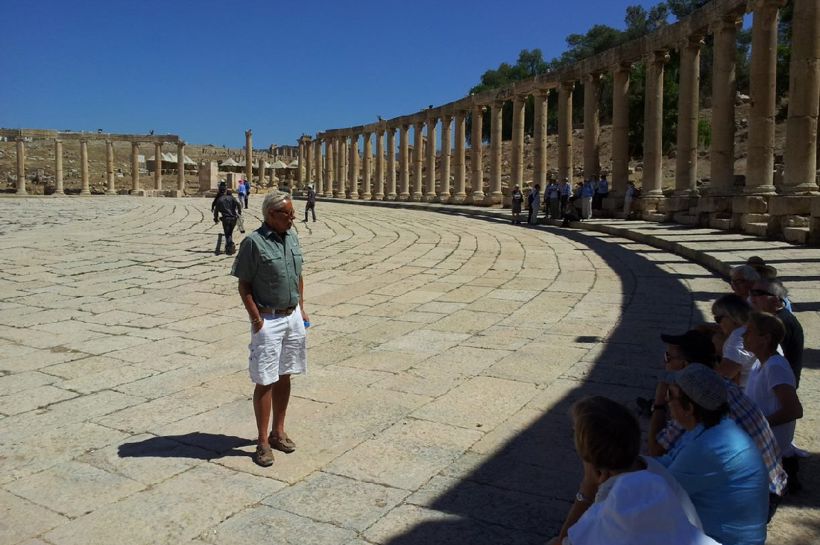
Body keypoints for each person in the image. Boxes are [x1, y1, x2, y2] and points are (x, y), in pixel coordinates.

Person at [646, 329, 788, 512]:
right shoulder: (725, 386)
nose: (664, 363)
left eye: (668, 357)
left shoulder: (696, 402)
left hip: (757, 502)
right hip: (772, 484)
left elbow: (656, 451)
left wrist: (658, 404)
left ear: (685, 365)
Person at [554, 396, 717, 545]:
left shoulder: (614, 500)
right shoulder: (651, 470)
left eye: (575, 432)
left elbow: (566, 541)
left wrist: (587, 489)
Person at [231, 190, 309, 467]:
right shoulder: (253, 243)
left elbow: (298, 274)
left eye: (293, 213)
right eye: (287, 214)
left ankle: (279, 431)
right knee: (265, 379)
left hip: (292, 317)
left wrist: (302, 307)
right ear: (270, 215)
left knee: (285, 374)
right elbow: (244, 285)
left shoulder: (292, 236)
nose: (293, 218)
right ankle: (262, 441)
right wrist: (256, 320)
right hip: (268, 319)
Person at [658, 365, 769, 545]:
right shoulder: (714, 428)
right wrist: (629, 462)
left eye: (670, 395)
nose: (665, 399)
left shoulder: (707, 448)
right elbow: (667, 462)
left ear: (689, 409)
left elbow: (658, 492)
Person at [743, 312, 804, 493]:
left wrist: (758, 426)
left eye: (749, 331)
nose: (742, 335)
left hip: (770, 453)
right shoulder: (758, 363)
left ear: (765, 338)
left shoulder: (775, 367)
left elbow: (794, 410)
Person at [749, 278, 803, 387]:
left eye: (758, 293)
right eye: (751, 293)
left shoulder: (780, 322)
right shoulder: (772, 318)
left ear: (776, 300)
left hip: (778, 385)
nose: (752, 298)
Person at [712, 293, 757, 387]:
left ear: (733, 317)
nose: (718, 324)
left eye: (718, 319)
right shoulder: (750, 329)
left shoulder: (741, 336)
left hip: (750, 397)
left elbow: (722, 377)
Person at [213, 188, 242, 255]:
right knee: (230, 232)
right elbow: (239, 205)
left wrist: (216, 218)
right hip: (233, 218)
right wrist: (239, 213)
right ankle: (229, 246)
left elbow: (216, 210)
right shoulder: (233, 198)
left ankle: (230, 245)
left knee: (227, 233)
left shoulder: (220, 199)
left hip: (225, 218)